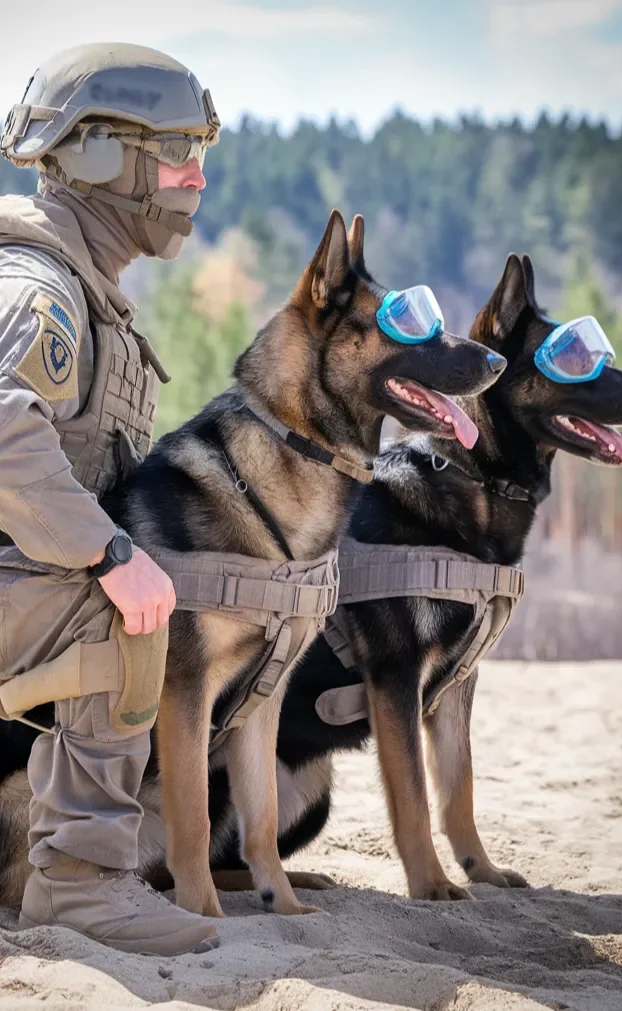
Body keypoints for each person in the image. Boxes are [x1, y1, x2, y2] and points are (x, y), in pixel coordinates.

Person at [0, 43, 221, 955]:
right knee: (123, 610)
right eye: (176, 154)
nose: (196, 179)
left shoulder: (85, 292)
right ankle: (81, 884)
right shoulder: (38, 287)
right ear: (99, 157)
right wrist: (108, 555)